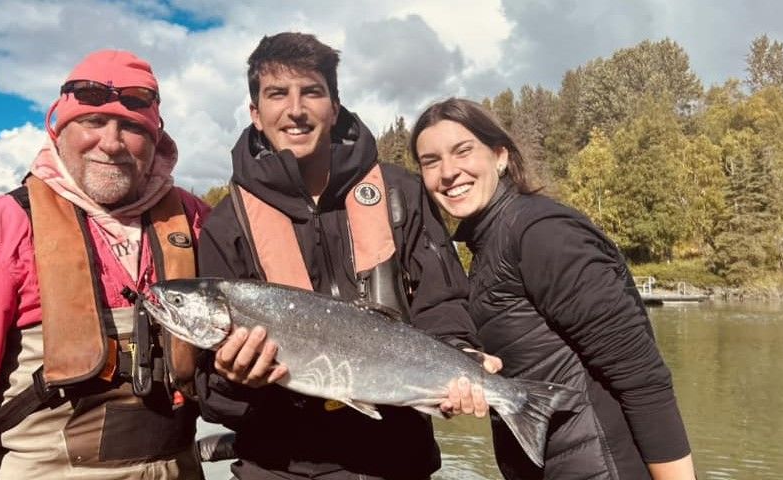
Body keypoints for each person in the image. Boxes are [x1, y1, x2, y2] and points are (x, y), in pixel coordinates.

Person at [0, 50, 210, 479]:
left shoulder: (195, 221)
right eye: (93, 121)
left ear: (156, 141)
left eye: (132, 127)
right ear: (58, 130)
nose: (111, 142)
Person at [193, 32, 498, 480]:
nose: (295, 109)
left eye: (311, 92)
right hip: (279, 467)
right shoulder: (225, 225)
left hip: (400, 461)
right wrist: (231, 378)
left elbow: (444, 302)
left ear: (334, 108)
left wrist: (459, 354)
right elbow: (212, 398)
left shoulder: (400, 192)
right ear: (255, 113)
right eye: (277, 94)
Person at [410, 97, 696, 480]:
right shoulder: (488, 245)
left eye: (463, 151)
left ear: (500, 156)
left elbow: (641, 377)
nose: (448, 172)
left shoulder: (541, 233)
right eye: (431, 161)